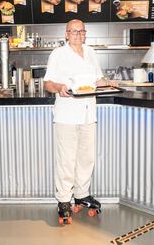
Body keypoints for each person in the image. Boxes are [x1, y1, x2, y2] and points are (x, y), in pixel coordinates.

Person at [43, 19, 114, 224]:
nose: (78, 35)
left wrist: (108, 83)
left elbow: (97, 81)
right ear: (66, 34)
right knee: (66, 160)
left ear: (85, 33)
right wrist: (59, 88)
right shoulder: (58, 54)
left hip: (88, 114)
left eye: (81, 31)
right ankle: (64, 200)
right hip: (67, 114)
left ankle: (82, 194)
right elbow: (48, 83)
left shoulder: (91, 52)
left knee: (86, 158)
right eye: (73, 31)